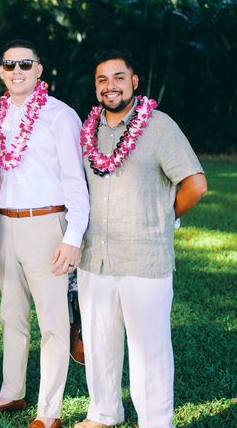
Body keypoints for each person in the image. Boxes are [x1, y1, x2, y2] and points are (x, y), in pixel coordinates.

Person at [74, 51, 207, 428]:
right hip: (94, 256)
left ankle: (155, 421)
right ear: (95, 86)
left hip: (144, 257)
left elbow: (196, 184)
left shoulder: (159, 126)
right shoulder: (89, 131)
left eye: (119, 77)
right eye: (102, 79)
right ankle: (103, 413)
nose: (110, 85)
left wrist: (165, 216)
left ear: (134, 81)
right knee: (99, 344)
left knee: (149, 349)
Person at [0, 40, 90, 428]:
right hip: (5, 223)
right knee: (11, 315)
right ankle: (12, 392)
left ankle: (49, 411)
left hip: (47, 224)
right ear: (1, 72)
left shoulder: (60, 116)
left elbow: (77, 182)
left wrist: (73, 236)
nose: (17, 70)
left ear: (39, 69)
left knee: (53, 323)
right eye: (9, 65)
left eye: (25, 63)